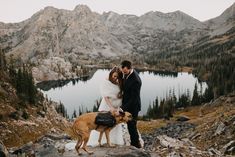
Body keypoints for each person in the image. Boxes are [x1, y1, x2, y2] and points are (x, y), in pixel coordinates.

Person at [87, 66, 125, 146]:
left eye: (117, 77)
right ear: (111, 74)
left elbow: (120, 94)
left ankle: (114, 141)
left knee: (115, 124)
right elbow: (105, 97)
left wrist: (117, 107)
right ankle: (99, 141)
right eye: (114, 76)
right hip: (107, 106)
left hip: (117, 107)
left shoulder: (119, 81)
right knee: (103, 123)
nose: (115, 78)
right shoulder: (106, 82)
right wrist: (111, 107)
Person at [120, 60, 142, 148]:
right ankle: (135, 143)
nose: (123, 72)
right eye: (122, 70)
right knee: (130, 126)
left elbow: (134, 99)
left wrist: (123, 108)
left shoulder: (135, 80)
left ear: (129, 68)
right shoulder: (127, 73)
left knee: (132, 126)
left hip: (133, 107)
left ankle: (136, 145)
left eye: (125, 71)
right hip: (128, 104)